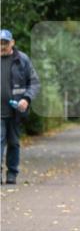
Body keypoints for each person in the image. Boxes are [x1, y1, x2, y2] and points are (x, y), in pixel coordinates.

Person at [1, 29, 41, 186]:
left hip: (16, 111)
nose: (2, 46)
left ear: (12, 43)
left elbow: (35, 83)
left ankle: (12, 173)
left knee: (14, 143)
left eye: (5, 43)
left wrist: (26, 98)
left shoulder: (22, 59)